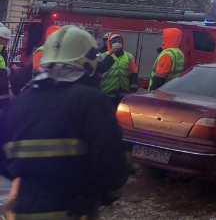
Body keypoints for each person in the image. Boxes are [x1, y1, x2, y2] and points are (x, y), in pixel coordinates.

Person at [0, 25, 129, 219]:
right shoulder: (93, 101)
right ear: (87, 59)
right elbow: (112, 164)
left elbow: (4, 163)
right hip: (73, 211)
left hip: (23, 212)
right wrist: (109, 193)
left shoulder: (18, 103)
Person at [99, 32, 138, 107]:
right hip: (106, 93)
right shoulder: (103, 56)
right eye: (114, 42)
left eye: (119, 41)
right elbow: (98, 73)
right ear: (110, 43)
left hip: (123, 94)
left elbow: (133, 73)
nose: (117, 43)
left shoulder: (129, 56)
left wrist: (133, 90)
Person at [0, 26, 11, 112]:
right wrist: (9, 71)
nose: (6, 44)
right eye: (6, 40)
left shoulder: (3, 51)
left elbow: (3, 65)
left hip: (3, 86)